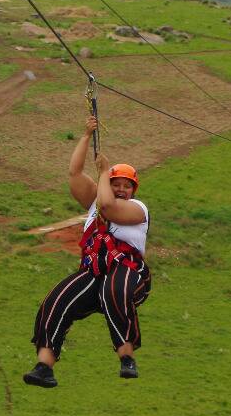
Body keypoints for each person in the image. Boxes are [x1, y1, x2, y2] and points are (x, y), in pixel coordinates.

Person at [24, 115, 152, 388]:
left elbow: (108, 208)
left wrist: (105, 172)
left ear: (133, 190)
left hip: (128, 270)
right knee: (56, 301)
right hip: (95, 270)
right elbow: (74, 174)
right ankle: (44, 366)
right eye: (116, 183)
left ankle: (126, 359)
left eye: (125, 185)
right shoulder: (96, 201)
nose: (120, 188)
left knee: (114, 292)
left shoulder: (138, 209)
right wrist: (85, 135)